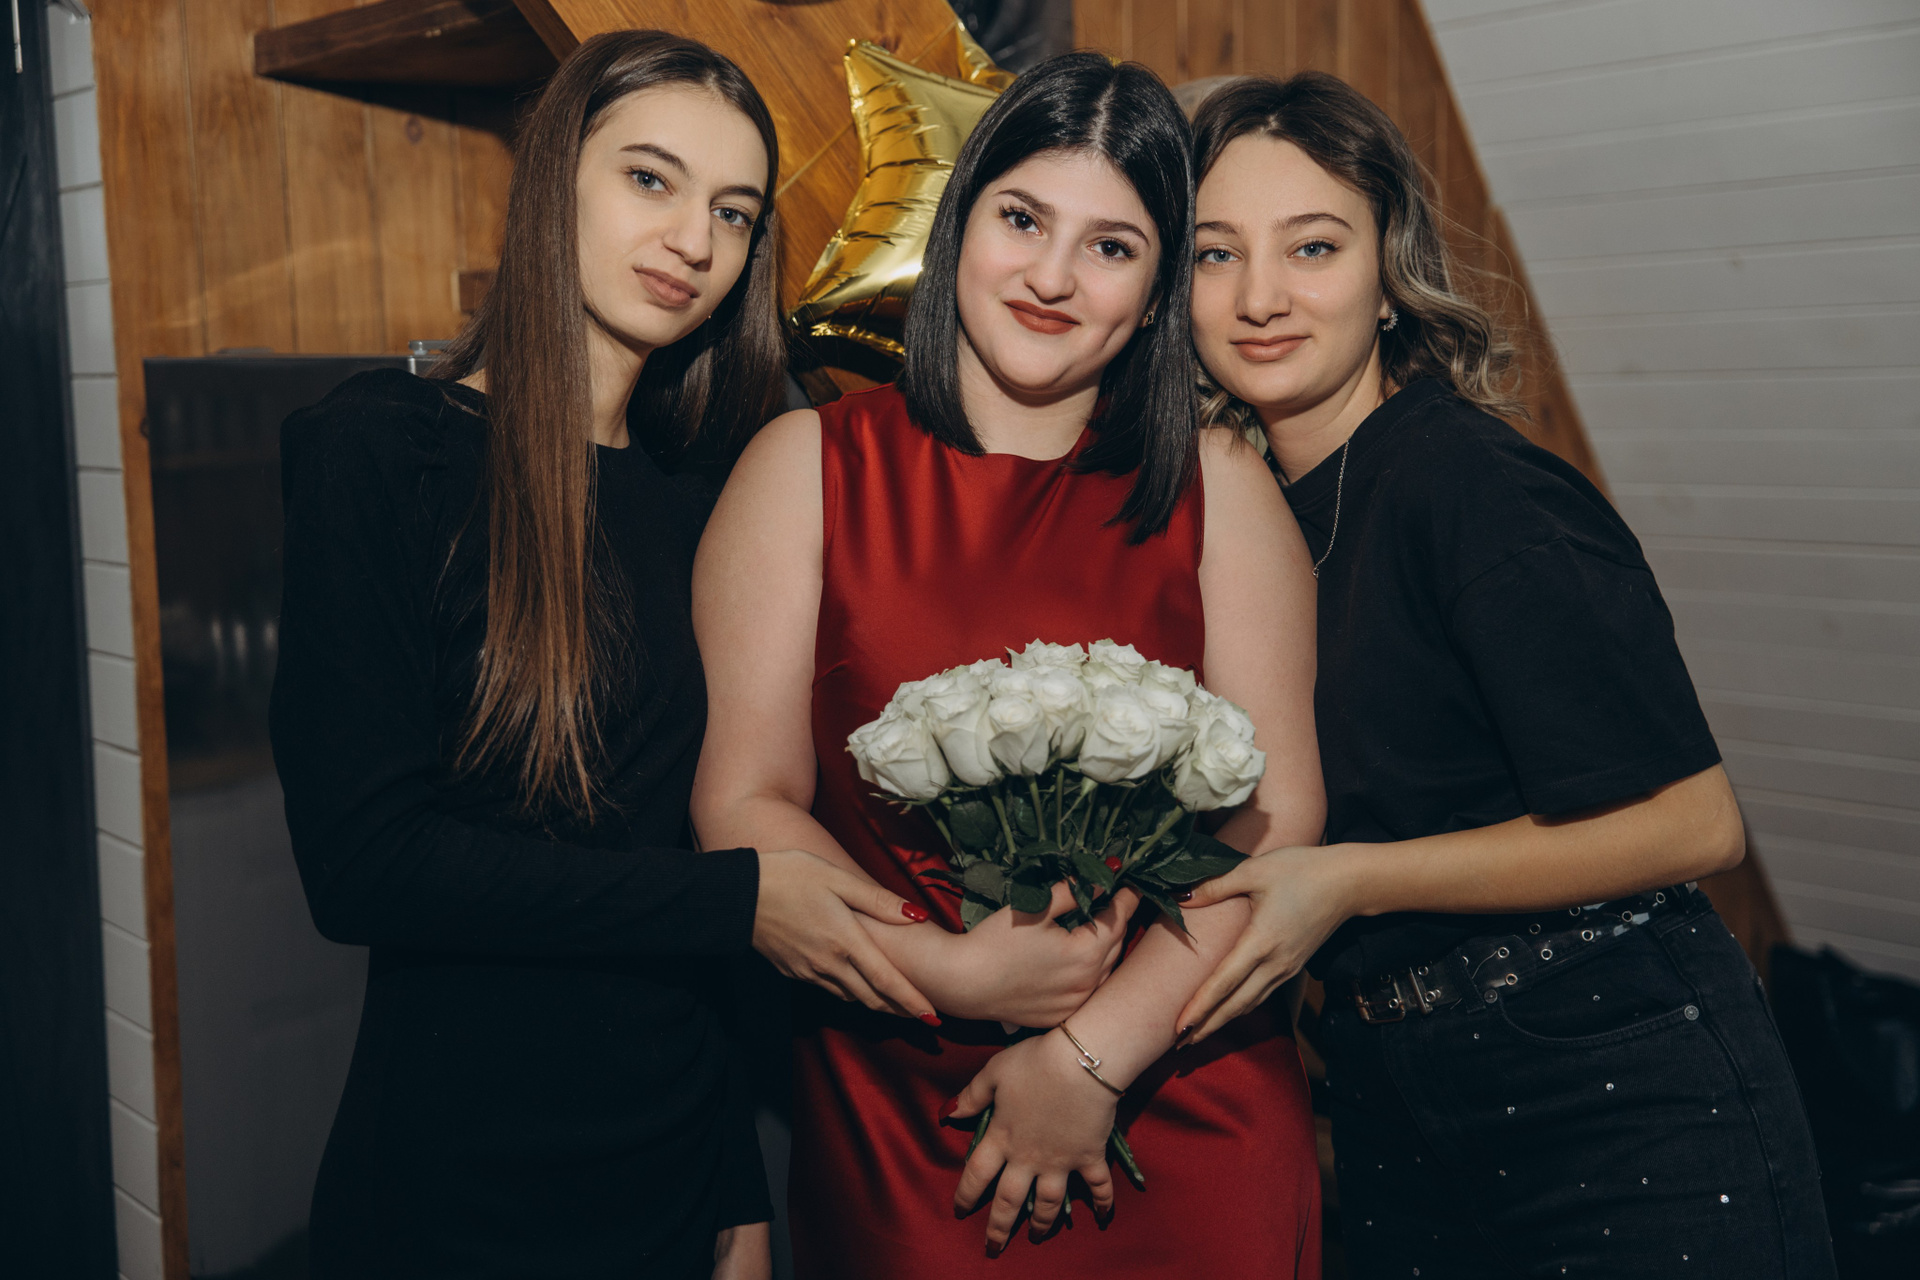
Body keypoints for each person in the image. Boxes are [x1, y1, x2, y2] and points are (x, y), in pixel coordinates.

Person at [270, 31, 940, 1280]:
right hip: (454, 1186)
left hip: (675, 1173)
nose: (694, 239)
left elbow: (668, 842)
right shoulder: (384, 450)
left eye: (733, 212)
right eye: (649, 179)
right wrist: (741, 901)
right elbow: (363, 866)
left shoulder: (702, 497)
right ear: (554, 177)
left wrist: (736, 1187)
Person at [1175, 72, 1835, 1278]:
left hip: (1616, 1076)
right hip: (1393, 1102)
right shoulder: (1242, 513)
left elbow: (1693, 823)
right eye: (1216, 254)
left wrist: (1352, 881)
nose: (1259, 297)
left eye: (1313, 246)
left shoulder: (1472, 487)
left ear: (1388, 277)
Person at [691, 53, 1324, 1278]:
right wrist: (952, 971)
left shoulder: (1221, 486)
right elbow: (744, 801)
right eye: (1023, 219)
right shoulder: (806, 467)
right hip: (904, 1097)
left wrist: (1092, 1055)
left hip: (1183, 1093)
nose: (1051, 276)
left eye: (1111, 246)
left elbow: (1278, 820)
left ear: (1158, 290)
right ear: (958, 223)